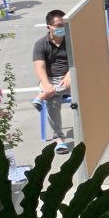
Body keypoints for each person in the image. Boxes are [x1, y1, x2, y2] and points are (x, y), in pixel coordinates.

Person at [32, 9, 73, 153]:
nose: (62, 28)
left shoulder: (71, 40)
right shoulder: (41, 44)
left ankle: (42, 96)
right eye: (58, 25)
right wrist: (46, 84)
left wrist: (69, 74)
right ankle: (59, 139)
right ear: (49, 27)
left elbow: (79, 60)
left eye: (64, 25)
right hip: (50, 78)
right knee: (52, 102)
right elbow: (39, 67)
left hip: (69, 76)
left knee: (72, 85)